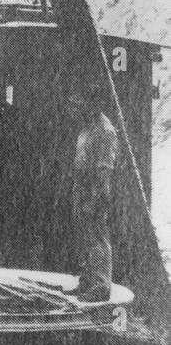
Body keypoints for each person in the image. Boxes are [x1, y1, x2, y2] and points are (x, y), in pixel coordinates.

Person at [68, 90, 119, 302]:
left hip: (94, 190)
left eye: (77, 103)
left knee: (97, 237)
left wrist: (97, 198)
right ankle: (87, 282)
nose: (73, 108)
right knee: (85, 237)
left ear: (90, 104)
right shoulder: (87, 127)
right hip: (82, 188)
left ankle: (100, 286)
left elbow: (104, 169)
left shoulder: (104, 131)